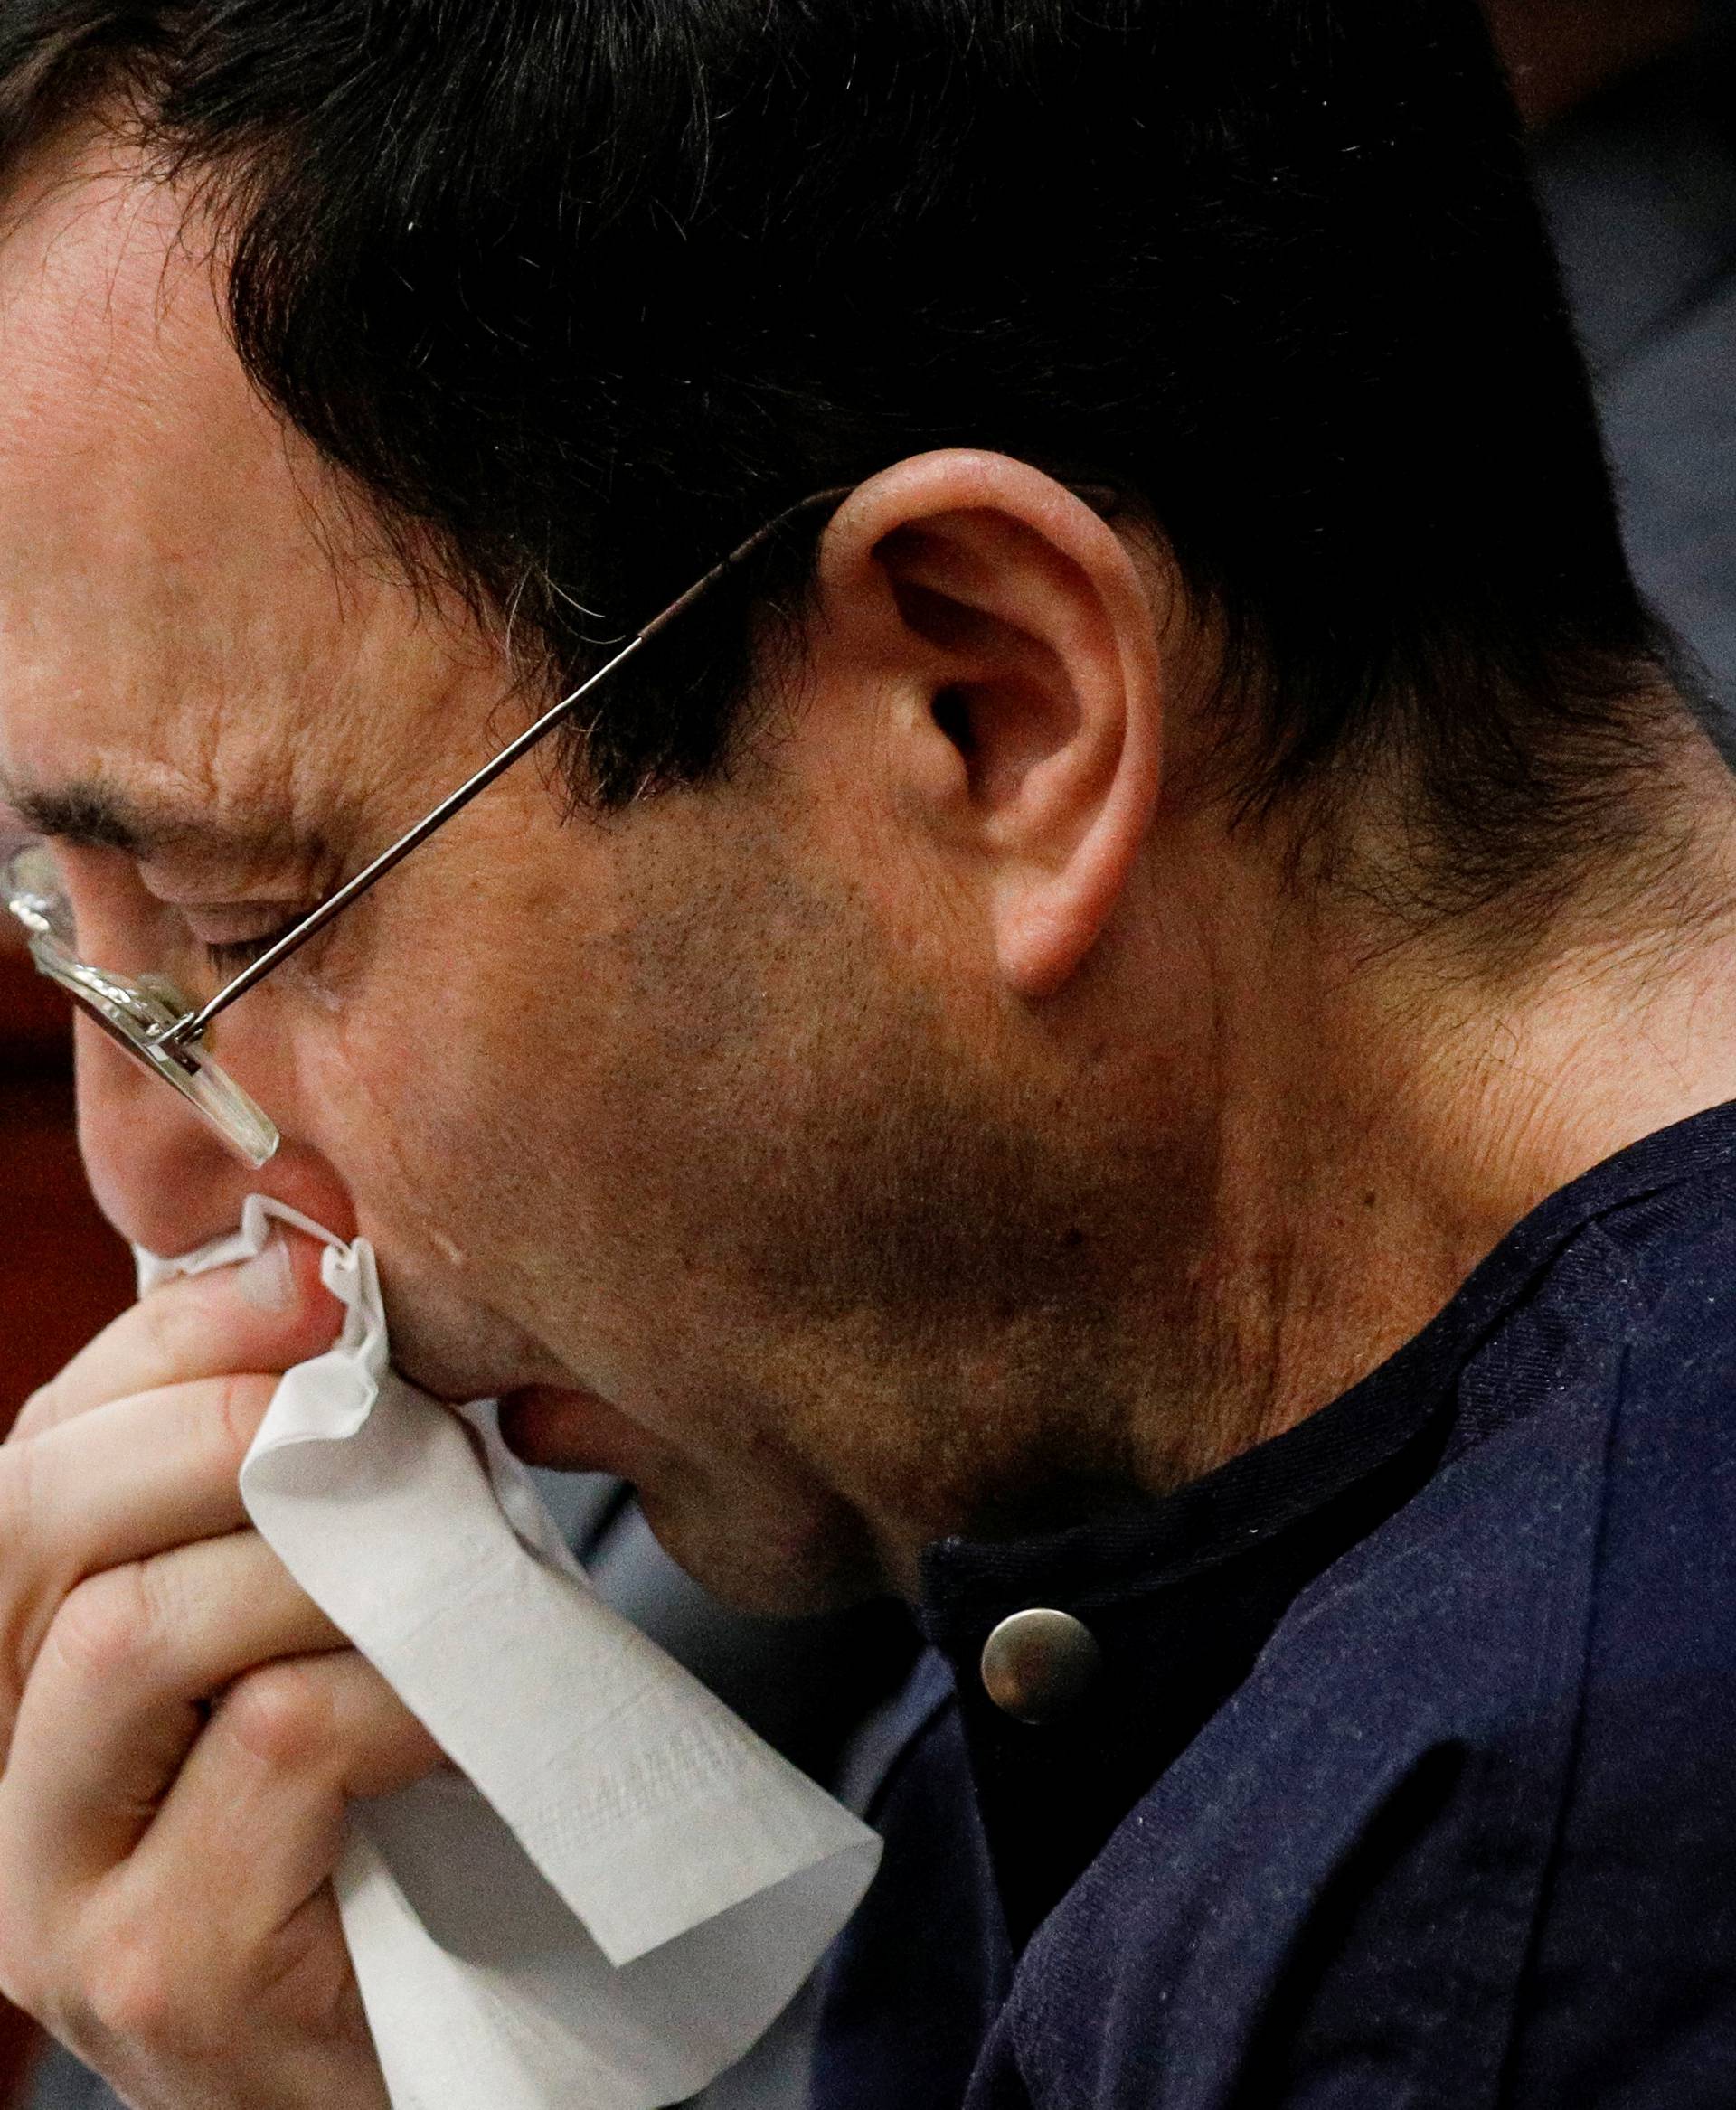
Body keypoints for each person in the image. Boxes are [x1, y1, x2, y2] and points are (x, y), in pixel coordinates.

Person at [3, 5, 1736, 2109]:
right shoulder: (1218, 1561)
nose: (163, 1179)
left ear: (992, 713)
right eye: (58, 952)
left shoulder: (1540, 1892)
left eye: (232, 929)